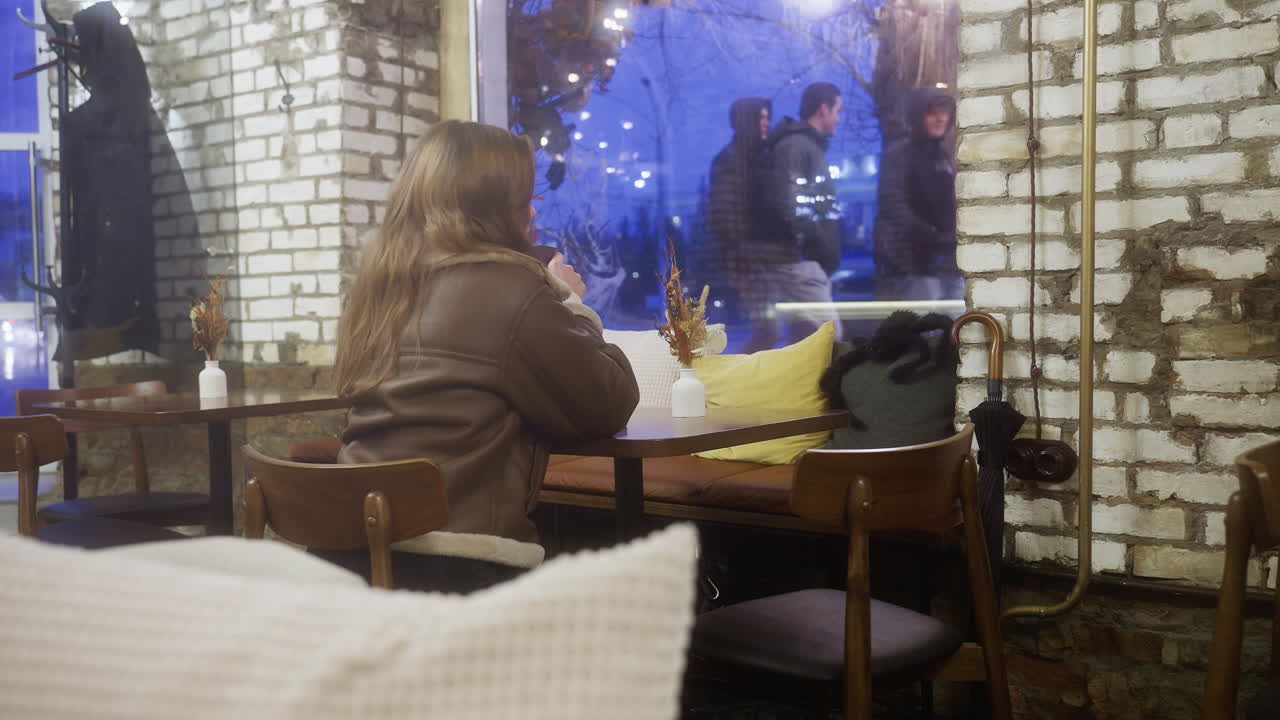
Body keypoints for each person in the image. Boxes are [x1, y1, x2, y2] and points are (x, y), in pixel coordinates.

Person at [332, 120, 639, 592]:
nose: (532, 217)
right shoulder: (509, 287)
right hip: (457, 565)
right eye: (524, 202)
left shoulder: (382, 286)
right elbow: (609, 400)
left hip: (351, 553)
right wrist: (570, 300)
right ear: (494, 207)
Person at [747, 82, 844, 352]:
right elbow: (791, 205)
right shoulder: (795, 147)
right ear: (823, 110)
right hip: (801, 262)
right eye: (837, 110)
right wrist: (819, 247)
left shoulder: (803, 146)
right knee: (830, 336)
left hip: (806, 262)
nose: (838, 118)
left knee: (805, 342)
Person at [873, 86, 962, 301]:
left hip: (948, 262)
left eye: (944, 112)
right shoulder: (900, 154)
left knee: (958, 328)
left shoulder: (943, 155)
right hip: (914, 264)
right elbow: (894, 206)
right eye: (933, 112)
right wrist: (931, 235)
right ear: (918, 115)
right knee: (927, 328)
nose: (940, 118)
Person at [707, 97, 771, 320]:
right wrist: (740, 258)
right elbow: (724, 217)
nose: (767, 123)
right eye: (761, 117)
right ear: (747, 121)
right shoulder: (730, 160)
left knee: (769, 327)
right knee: (766, 326)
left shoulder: (759, 157)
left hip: (763, 257)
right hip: (750, 260)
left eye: (767, 117)